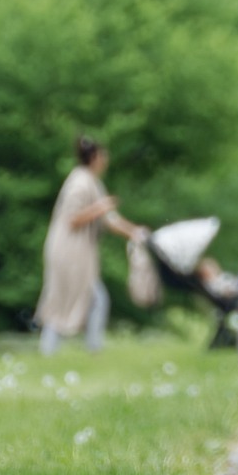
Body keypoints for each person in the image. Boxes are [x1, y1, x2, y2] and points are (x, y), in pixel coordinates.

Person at [35, 136, 146, 355]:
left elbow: (110, 220)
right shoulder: (79, 182)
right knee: (81, 298)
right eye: (103, 156)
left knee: (73, 298)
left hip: (77, 253)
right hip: (68, 251)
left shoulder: (91, 182)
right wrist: (100, 207)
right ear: (95, 157)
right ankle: (89, 349)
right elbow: (73, 219)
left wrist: (135, 232)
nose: (106, 160)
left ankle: (55, 351)